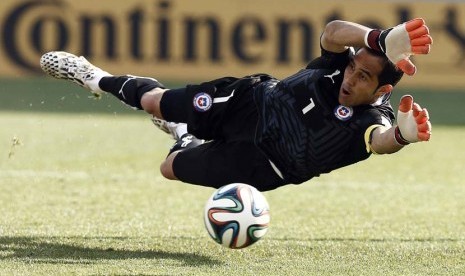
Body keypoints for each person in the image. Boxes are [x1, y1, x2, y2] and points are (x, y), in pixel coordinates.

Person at [40, 18, 433, 191]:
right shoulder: (337, 67)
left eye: (364, 78)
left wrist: (402, 135)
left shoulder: (372, 116)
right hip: (249, 103)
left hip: (264, 166)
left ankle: (183, 135)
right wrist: (377, 40)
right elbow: (332, 33)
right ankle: (92, 76)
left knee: (170, 168)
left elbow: (379, 139)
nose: (350, 78)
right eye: (353, 68)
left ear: (382, 91)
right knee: (155, 102)